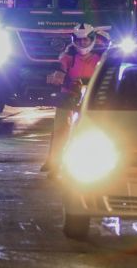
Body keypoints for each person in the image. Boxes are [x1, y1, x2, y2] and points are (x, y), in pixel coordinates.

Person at [41, 23, 103, 176]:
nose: (82, 43)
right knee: (61, 129)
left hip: (90, 98)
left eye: (86, 40)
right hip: (68, 96)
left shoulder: (100, 57)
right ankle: (54, 164)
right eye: (79, 40)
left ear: (92, 40)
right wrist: (62, 79)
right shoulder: (67, 56)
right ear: (74, 40)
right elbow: (59, 72)